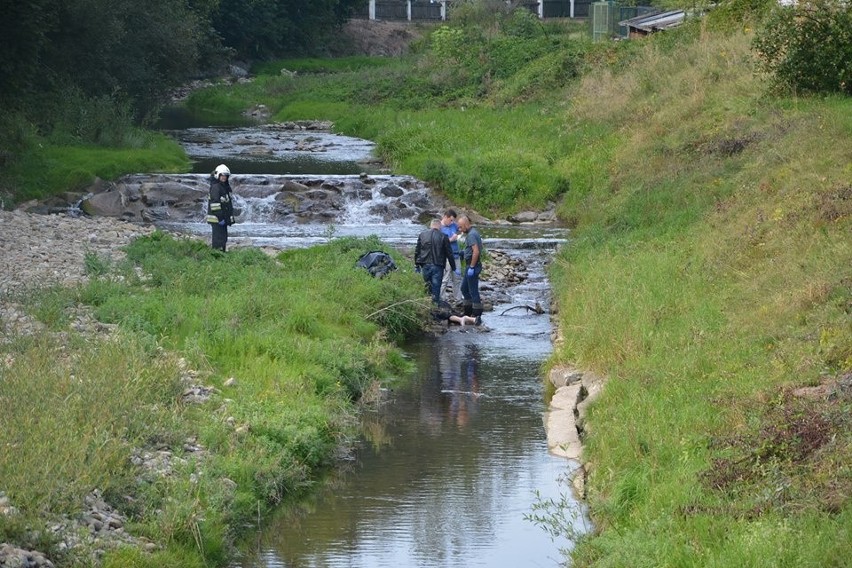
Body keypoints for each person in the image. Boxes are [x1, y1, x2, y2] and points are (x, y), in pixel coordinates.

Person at [415, 219, 457, 303]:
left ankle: (426, 305)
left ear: (431, 225)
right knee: (436, 289)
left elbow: (417, 251)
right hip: (438, 265)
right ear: (439, 226)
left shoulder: (422, 235)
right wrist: (454, 267)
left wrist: (416, 264)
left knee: (427, 286)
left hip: (425, 265)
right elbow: (449, 253)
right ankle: (435, 306)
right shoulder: (443, 236)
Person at [457, 214, 484, 322]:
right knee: (464, 288)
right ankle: (467, 311)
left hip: (473, 265)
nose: (460, 229)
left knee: (473, 290)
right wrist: (463, 253)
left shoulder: (471, 235)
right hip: (470, 264)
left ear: (466, 224)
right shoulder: (473, 233)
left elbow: (476, 251)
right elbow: (471, 250)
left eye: (461, 227)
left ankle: (477, 314)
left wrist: (472, 267)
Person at [206, 164, 235, 251]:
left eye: (226, 176)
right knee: (218, 239)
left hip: (222, 219)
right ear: (217, 175)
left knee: (223, 238)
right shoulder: (216, 187)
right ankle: (216, 256)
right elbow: (215, 204)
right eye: (222, 175)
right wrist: (220, 218)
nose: (224, 177)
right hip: (217, 219)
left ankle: (221, 254)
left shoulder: (224, 187)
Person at [440, 209, 463, 303]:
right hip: (446, 257)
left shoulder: (453, 225)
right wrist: (451, 240)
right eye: (451, 220)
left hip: (456, 255)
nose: (452, 222)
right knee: (445, 279)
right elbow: (439, 243)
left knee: (457, 278)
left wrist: (461, 230)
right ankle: (442, 299)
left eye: (453, 220)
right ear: (445, 217)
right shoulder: (439, 228)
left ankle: (458, 299)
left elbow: (461, 228)